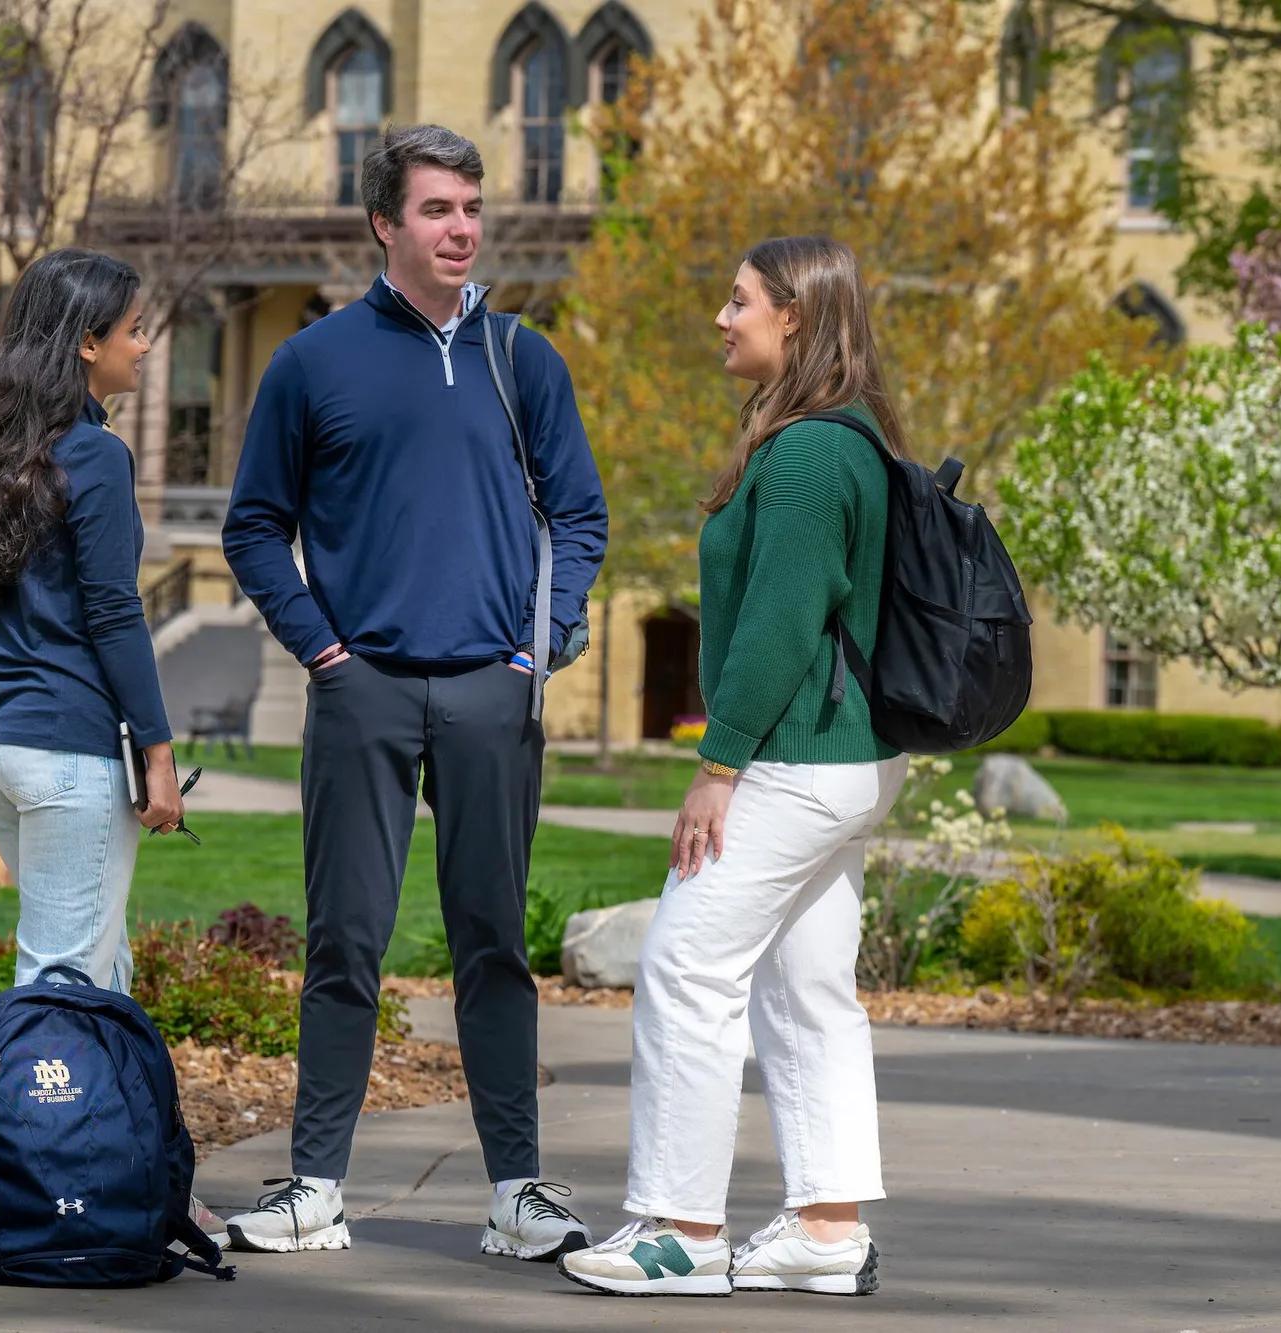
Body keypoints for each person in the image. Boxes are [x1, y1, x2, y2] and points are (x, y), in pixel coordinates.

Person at [220, 124, 608, 1261]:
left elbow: (576, 514)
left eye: (471, 208)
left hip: (494, 689)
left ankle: (517, 1193)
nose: (461, 228)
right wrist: (321, 652)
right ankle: (312, 1186)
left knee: (492, 942)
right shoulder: (313, 362)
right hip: (363, 690)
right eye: (437, 209)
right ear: (384, 223)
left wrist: (541, 646)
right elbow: (253, 526)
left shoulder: (522, 356)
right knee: (345, 940)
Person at [558, 236, 913, 1299]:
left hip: (795, 761)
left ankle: (678, 1229)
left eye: (738, 301)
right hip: (848, 764)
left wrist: (717, 764)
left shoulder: (807, 454)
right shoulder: (851, 440)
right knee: (806, 991)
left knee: (684, 968)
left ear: (794, 318)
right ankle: (824, 1226)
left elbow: (775, 628)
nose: (721, 318)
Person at [0, 248, 222, 1243]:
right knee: (58, 997)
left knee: (104, 975)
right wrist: (155, 747)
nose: (148, 344)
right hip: (65, 754)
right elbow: (110, 612)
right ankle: (37, 1202)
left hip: (2, 754)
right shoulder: (93, 455)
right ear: (88, 342)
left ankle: (137, 1175)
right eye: (134, 329)